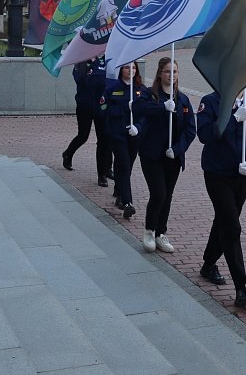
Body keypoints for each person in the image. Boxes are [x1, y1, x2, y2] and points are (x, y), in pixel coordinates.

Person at [196, 89, 246, 308]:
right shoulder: (211, 102)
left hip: (242, 173)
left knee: (223, 221)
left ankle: (209, 263)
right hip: (217, 173)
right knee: (231, 226)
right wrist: (231, 119)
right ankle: (241, 287)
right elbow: (204, 134)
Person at [132, 57, 196, 254]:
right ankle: (149, 230)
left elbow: (190, 129)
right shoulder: (149, 95)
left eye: (174, 72)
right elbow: (138, 108)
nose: (171, 75)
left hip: (172, 156)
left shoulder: (182, 100)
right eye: (167, 71)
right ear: (160, 73)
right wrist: (162, 108)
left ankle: (161, 233)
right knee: (158, 193)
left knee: (167, 196)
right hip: (152, 154)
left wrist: (177, 149)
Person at [103, 62, 147, 217]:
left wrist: (139, 126)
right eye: (128, 68)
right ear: (121, 70)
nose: (131, 70)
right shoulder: (112, 89)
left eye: (134, 68)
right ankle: (127, 202)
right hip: (117, 134)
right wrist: (123, 108)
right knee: (124, 164)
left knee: (127, 165)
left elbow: (146, 114)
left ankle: (120, 190)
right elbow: (102, 108)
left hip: (134, 135)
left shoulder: (142, 90)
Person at [62, 57, 112, 187]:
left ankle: (103, 172)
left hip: (102, 105)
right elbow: (83, 80)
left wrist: (97, 75)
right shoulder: (81, 61)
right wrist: (98, 73)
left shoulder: (105, 60)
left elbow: (109, 80)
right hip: (85, 105)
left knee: (104, 138)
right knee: (83, 135)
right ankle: (68, 154)